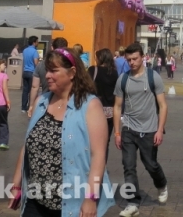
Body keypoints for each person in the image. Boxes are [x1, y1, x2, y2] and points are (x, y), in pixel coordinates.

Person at [9, 47, 114, 217]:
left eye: (54, 71)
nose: (47, 75)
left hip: (72, 204)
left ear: (72, 73)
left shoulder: (90, 106)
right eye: (47, 70)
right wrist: (16, 185)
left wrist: (90, 198)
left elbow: (98, 156)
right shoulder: (41, 102)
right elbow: (27, 145)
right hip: (36, 200)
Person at [113, 42, 168, 217]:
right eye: (128, 60)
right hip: (129, 129)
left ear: (143, 57)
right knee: (128, 166)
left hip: (149, 130)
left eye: (135, 59)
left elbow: (163, 105)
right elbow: (117, 107)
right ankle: (132, 203)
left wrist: (159, 129)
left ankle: (161, 184)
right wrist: (117, 132)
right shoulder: (123, 79)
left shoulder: (153, 77)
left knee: (151, 164)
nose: (131, 62)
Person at [88, 48, 119, 161]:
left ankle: (92, 164)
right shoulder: (114, 73)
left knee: (91, 139)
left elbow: (86, 86)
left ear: (100, 58)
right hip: (110, 111)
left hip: (94, 110)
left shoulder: (93, 70)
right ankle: (102, 164)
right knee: (105, 141)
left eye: (96, 57)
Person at [29, 37, 69, 116]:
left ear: (52, 48)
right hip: (66, 104)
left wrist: (31, 105)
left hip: (46, 102)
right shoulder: (68, 65)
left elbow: (35, 87)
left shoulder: (41, 65)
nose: (48, 75)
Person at [22, 36, 40, 112]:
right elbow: (36, 63)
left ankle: (23, 107)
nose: (38, 43)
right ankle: (31, 107)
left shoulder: (25, 50)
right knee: (32, 90)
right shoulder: (35, 51)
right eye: (37, 42)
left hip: (25, 71)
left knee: (25, 91)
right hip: (32, 72)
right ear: (34, 42)